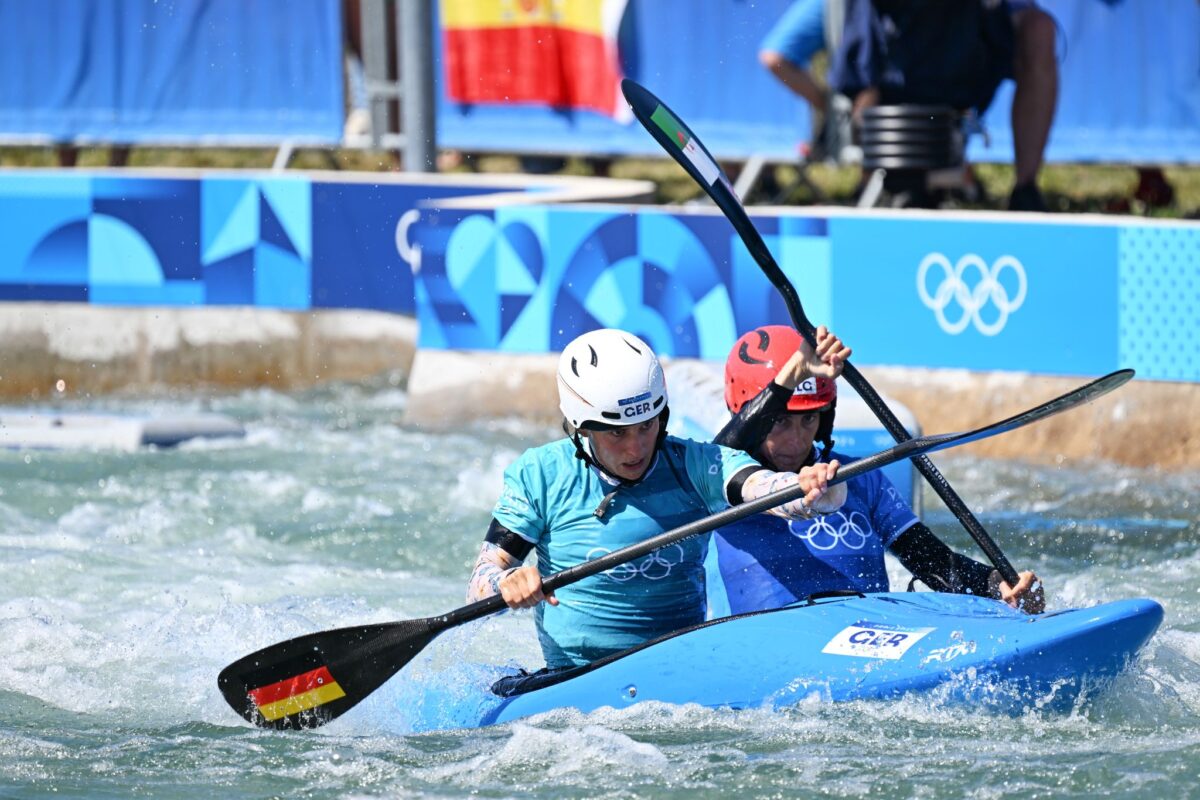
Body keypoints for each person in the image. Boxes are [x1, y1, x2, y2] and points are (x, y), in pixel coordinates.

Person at [466, 328, 846, 670]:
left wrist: (808, 488)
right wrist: (508, 582)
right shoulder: (540, 474)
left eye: (647, 426)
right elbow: (479, 585)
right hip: (575, 677)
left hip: (676, 669)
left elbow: (762, 488)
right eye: (617, 434)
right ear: (581, 427)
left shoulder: (695, 463)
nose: (636, 448)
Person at [712, 324, 1045, 614]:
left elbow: (930, 559)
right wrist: (792, 373)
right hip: (774, 647)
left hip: (866, 638)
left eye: (808, 419)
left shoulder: (861, 477)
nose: (796, 439)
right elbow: (720, 455)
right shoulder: (714, 481)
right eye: (780, 422)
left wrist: (995, 585)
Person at [831, 0, 1059, 212]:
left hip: (970, 35)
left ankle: (1025, 189)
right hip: (900, 37)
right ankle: (893, 173)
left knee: (1039, 28)